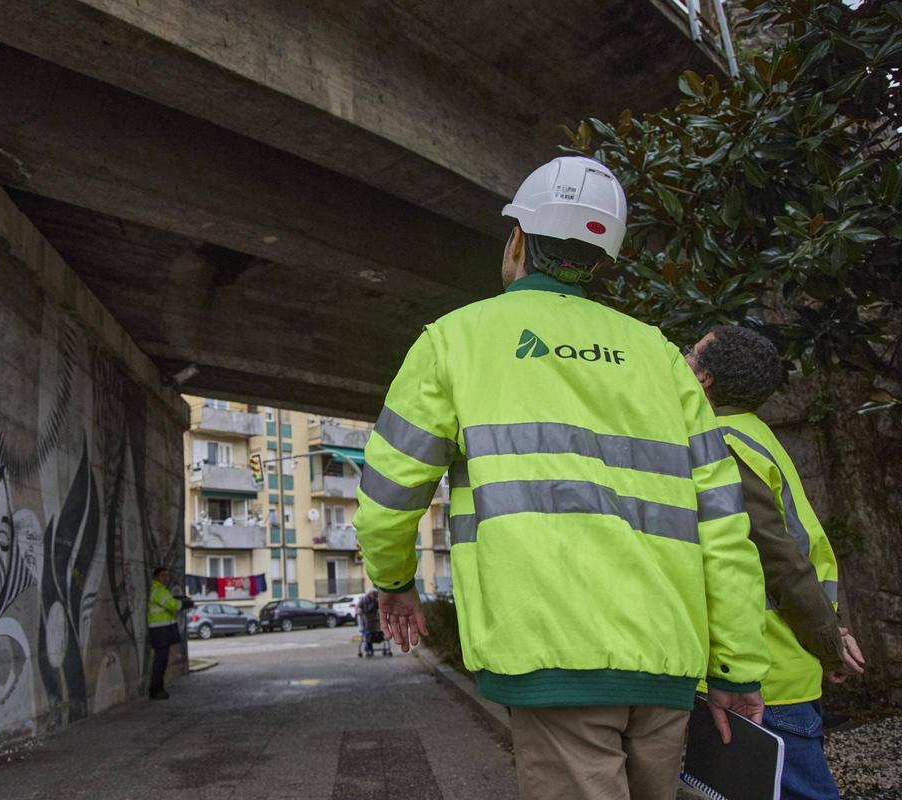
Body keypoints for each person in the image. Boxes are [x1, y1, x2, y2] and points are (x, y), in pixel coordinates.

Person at [353, 155, 771, 800]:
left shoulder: (455, 340)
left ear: (517, 238)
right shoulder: (661, 357)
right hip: (664, 661)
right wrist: (737, 667)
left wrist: (395, 582)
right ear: (603, 259)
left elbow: (388, 497)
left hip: (547, 654)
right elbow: (723, 524)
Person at [685, 325, 866, 800]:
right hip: (783, 663)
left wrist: (829, 642)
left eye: (690, 353)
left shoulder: (719, 443)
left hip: (762, 677)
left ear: (703, 380)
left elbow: (777, 558)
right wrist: (831, 633)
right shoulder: (754, 434)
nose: (681, 359)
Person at [147, 566, 182, 700]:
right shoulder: (158, 590)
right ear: (156, 577)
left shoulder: (160, 589)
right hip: (159, 630)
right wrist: (183, 603)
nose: (166, 578)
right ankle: (156, 690)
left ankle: (158, 689)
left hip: (162, 629)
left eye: (167, 576)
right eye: (163, 576)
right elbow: (172, 605)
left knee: (161, 661)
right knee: (160, 661)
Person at [356, 589, 392, 658]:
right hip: (366, 620)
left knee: (375, 633)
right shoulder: (363, 600)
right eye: (374, 594)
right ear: (370, 594)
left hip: (374, 620)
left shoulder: (375, 600)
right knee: (368, 634)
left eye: (375, 594)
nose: (375, 595)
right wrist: (360, 612)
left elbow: (380, 608)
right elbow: (358, 608)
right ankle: (369, 649)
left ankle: (370, 649)